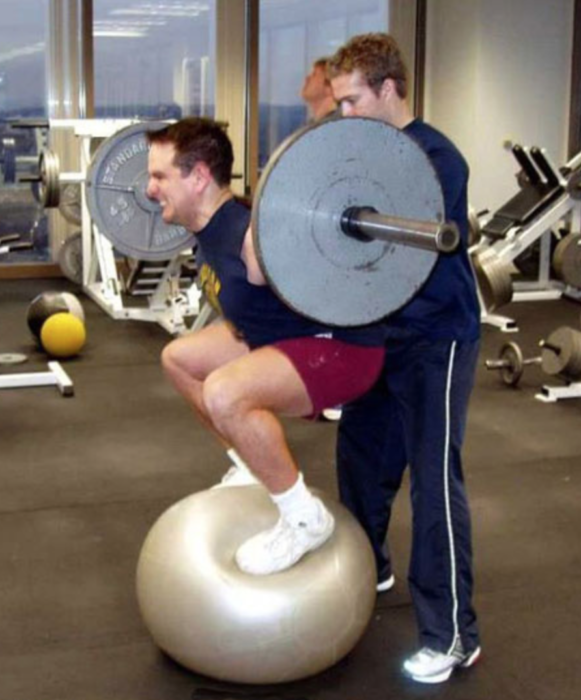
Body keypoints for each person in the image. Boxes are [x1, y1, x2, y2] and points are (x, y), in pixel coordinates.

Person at [145, 117, 386, 577]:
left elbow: (332, 269)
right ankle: (251, 466)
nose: (150, 188)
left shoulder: (251, 233)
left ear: (198, 178)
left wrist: (276, 245)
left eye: (160, 176)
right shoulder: (209, 229)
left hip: (341, 349)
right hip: (277, 338)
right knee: (179, 359)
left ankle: (303, 518)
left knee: (224, 392)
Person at [327, 33, 482, 684]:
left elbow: (415, 249)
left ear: (389, 90)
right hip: (378, 334)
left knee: (432, 483)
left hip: (435, 337)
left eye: (352, 100)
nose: (343, 115)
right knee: (359, 458)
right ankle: (371, 565)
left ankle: (452, 636)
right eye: (337, 103)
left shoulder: (437, 157)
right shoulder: (359, 152)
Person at [300, 56, 338, 122]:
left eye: (314, 74)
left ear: (330, 88)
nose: (307, 79)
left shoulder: (334, 125)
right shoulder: (314, 124)